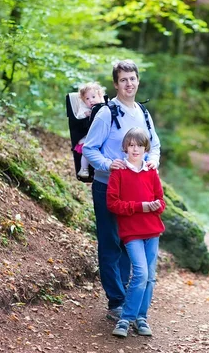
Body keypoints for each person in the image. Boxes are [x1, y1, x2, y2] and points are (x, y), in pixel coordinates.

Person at [82, 59, 161, 322]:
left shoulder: (143, 113)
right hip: (107, 187)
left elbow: (155, 146)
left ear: (138, 81)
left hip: (136, 191)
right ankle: (116, 301)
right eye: (123, 79)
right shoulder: (107, 113)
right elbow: (89, 148)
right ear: (116, 84)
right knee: (110, 243)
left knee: (131, 242)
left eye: (132, 78)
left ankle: (129, 297)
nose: (129, 83)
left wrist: (153, 162)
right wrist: (107, 163)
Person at [106, 127, 165, 337]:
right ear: (125, 147)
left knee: (149, 277)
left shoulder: (151, 171)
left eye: (139, 145)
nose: (135, 149)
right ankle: (125, 319)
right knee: (140, 273)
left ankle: (141, 318)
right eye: (131, 145)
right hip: (131, 232)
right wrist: (141, 206)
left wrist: (153, 206)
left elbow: (161, 202)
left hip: (152, 230)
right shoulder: (119, 172)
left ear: (145, 147)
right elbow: (113, 204)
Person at [73, 82, 106, 179]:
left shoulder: (103, 105)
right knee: (87, 149)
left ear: (99, 95)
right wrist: (85, 114)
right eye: (87, 99)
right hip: (87, 135)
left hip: (100, 135)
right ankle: (83, 169)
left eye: (93, 97)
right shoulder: (85, 108)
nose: (91, 100)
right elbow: (78, 117)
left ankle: (99, 169)